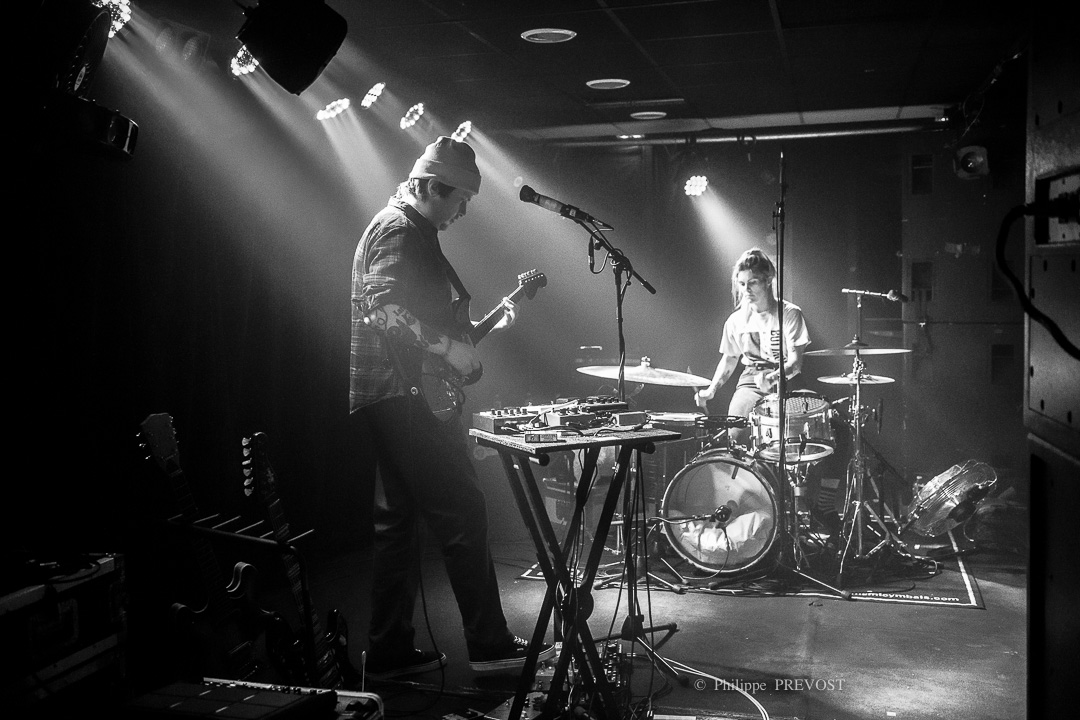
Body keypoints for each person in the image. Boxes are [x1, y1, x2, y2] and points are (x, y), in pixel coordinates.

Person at [349, 136, 554, 679]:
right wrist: (447, 348)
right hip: (405, 395)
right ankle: (488, 643)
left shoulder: (407, 228)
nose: (463, 212)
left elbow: (412, 316)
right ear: (432, 187)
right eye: (461, 199)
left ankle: (389, 648)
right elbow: (380, 309)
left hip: (391, 393)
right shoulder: (399, 229)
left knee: (397, 523)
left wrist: (463, 340)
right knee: (463, 510)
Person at [694, 248, 811, 449]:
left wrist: (772, 378)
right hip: (751, 380)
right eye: (741, 284)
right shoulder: (735, 321)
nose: (746, 289)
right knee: (736, 434)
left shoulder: (789, 314)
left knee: (795, 442)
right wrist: (711, 390)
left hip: (787, 378)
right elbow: (729, 358)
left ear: (768, 280)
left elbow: (795, 363)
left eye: (753, 282)